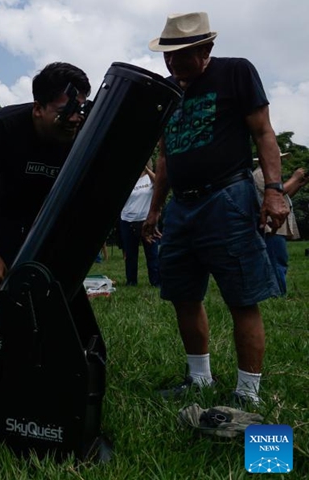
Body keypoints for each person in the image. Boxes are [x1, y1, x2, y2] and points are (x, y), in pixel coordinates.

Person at [143, 12, 289, 406]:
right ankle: (199, 379)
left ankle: (247, 393)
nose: (173, 64)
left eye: (183, 56)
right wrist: (156, 209)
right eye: (168, 57)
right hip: (181, 205)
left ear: (206, 48)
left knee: (242, 296)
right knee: (183, 294)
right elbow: (166, 155)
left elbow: (263, 132)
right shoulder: (169, 91)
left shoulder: (236, 72)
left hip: (227, 198)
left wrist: (274, 191)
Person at [0, 62, 91, 333]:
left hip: (48, 220)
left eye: (79, 110)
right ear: (38, 108)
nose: (74, 119)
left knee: (52, 299)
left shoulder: (84, 132)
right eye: (65, 111)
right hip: (2, 219)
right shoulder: (5, 125)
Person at [252, 153, 306, 295]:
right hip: (271, 227)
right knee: (277, 261)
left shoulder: (269, 177)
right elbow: (275, 195)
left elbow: (283, 197)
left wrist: (298, 184)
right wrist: (294, 178)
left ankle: (277, 293)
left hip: (277, 226)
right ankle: (278, 294)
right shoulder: (260, 175)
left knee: (279, 260)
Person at [119, 162, 160, 286]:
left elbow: (159, 183)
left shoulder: (149, 178)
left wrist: (146, 170)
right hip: (128, 220)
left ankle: (156, 282)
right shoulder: (128, 178)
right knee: (131, 255)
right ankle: (131, 281)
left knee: (152, 253)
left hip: (146, 221)